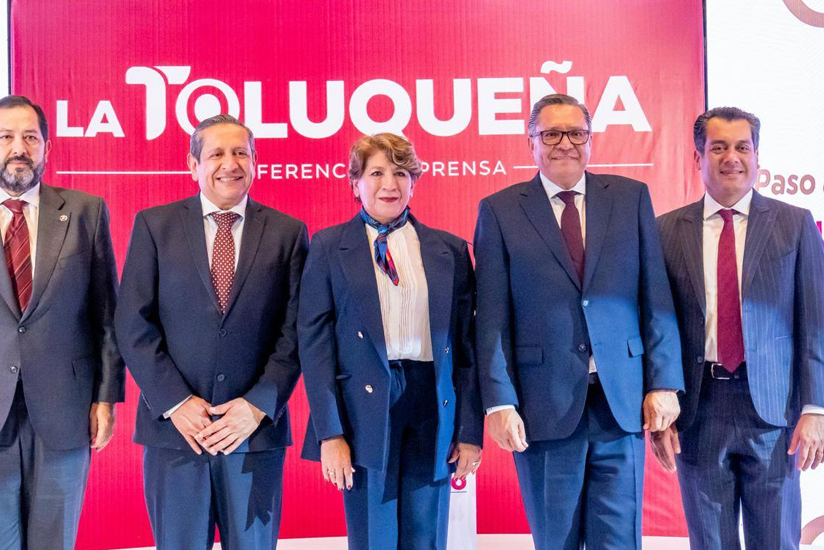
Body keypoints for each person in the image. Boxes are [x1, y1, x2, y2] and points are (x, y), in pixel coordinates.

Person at [474, 93, 684, 549]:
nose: (565, 144)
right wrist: (499, 402)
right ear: (530, 141)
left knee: (620, 542)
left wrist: (664, 382)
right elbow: (491, 318)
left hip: (622, 406)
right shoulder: (499, 210)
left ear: (591, 140)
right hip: (542, 409)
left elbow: (656, 297)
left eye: (576, 133)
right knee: (557, 541)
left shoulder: (630, 198)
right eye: (551, 134)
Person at [0, 95, 123, 549]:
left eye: (31, 138)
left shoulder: (86, 212)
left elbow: (107, 316)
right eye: (6, 137)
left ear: (47, 148)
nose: (19, 148)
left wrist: (106, 398)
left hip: (65, 412)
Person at [115, 114, 308, 549]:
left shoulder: (288, 233)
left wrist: (257, 406)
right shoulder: (155, 226)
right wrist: (176, 403)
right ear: (193, 165)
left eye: (241, 153)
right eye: (216, 153)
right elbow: (132, 323)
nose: (230, 163)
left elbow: (296, 332)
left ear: (256, 161)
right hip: (176, 435)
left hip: (253, 437)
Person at [298, 133, 483, 550]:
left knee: (425, 536)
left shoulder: (450, 250)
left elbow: (467, 349)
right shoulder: (328, 247)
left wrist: (470, 431)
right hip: (362, 410)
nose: (389, 184)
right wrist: (330, 434)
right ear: (355, 183)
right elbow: (315, 346)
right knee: (373, 538)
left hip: (431, 403)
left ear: (414, 182)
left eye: (401, 173)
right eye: (376, 173)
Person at [654, 106, 824, 549]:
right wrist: (659, 405)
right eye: (719, 147)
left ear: (757, 155)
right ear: (698, 157)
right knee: (710, 542)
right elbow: (657, 326)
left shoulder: (795, 224)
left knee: (777, 540)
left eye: (742, 147)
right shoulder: (665, 231)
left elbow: (815, 323)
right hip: (698, 409)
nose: (732, 157)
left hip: (774, 412)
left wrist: (815, 408)